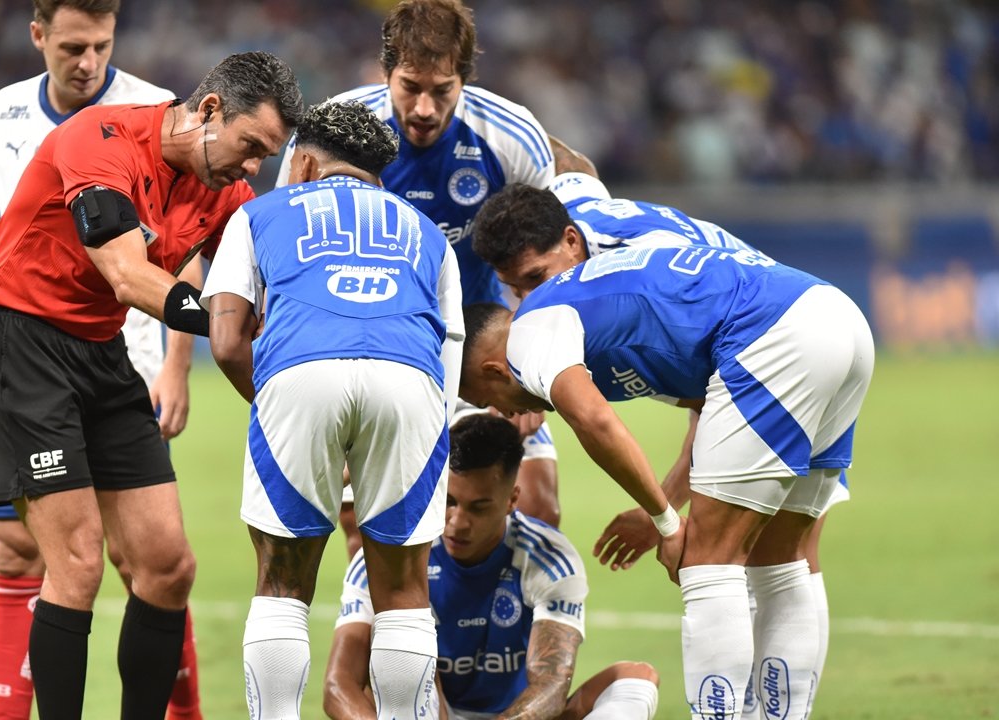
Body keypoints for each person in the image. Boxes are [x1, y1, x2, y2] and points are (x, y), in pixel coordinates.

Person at [0, 51, 303, 719]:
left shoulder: (226, 194)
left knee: (167, 566)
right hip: (20, 345)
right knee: (77, 563)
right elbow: (126, 275)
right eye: (250, 147)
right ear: (210, 111)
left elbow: (267, 288)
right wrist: (225, 320)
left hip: (100, 350)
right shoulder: (101, 140)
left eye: (266, 157)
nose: (252, 169)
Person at [459, 210, 873, 719]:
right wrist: (668, 504)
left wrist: (667, 521)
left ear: (493, 370)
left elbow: (595, 422)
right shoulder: (598, 314)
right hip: (837, 318)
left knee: (708, 564)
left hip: (772, 335)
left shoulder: (528, 333)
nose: (503, 413)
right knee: (780, 562)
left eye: (486, 399)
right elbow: (709, 406)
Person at [0, 2, 204, 717]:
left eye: (101, 44)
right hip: (28, 359)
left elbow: (187, 249)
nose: (88, 62)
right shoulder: (6, 111)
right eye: (72, 46)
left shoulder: (157, 111)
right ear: (38, 35)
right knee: (16, 548)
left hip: (127, 361)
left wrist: (177, 365)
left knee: (149, 560)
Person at [203, 100, 463, 720]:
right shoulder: (428, 234)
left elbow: (227, 342)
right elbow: (448, 348)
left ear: (305, 164)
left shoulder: (257, 214)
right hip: (410, 381)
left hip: (300, 372)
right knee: (402, 590)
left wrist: (281, 411)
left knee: (282, 584)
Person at [277, 0, 562, 528]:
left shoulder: (512, 136)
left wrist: (531, 369)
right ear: (385, 72)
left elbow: (546, 265)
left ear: (464, 79)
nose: (425, 108)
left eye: (443, 89)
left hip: (477, 351)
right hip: (368, 346)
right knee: (366, 526)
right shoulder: (334, 131)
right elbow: (290, 248)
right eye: (410, 86)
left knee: (537, 509)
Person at [324, 413, 660, 720]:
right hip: (423, 711)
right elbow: (339, 686)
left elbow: (551, 686)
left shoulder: (549, 559)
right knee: (389, 668)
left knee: (636, 678)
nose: (458, 522)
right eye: (449, 501)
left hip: (515, 716)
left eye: (479, 507)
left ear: (512, 500)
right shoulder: (387, 556)